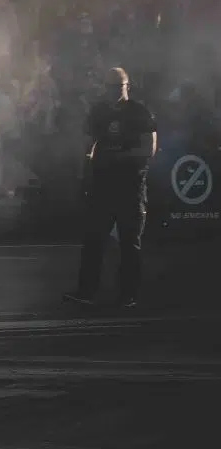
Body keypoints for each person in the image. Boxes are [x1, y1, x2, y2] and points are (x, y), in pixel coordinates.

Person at [66, 67, 155, 308]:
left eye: (118, 87)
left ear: (127, 86)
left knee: (129, 243)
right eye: (109, 87)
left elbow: (148, 149)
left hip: (130, 186)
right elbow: (87, 144)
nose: (113, 92)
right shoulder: (98, 112)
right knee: (93, 240)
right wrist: (86, 169)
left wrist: (118, 158)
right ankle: (86, 292)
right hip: (102, 186)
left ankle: (128, 295)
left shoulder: (139, 112)